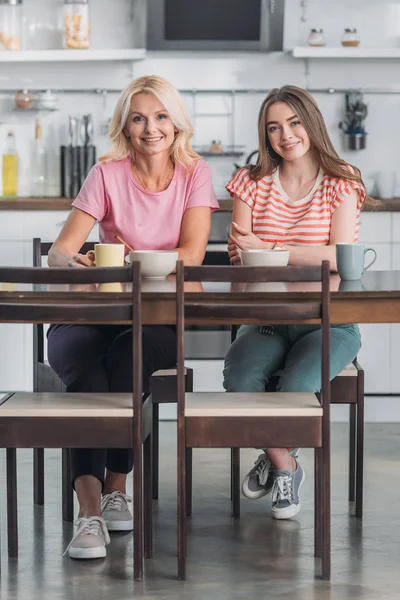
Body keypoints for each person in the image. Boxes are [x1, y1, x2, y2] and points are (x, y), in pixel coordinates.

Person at [47, 75, 219, 559]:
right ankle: (89, 513)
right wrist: (74, 259)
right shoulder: (107, 174)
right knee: (85, 370)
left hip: (157, 318)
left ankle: (116, 488)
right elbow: (60, 253)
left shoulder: (194, 174)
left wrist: (128, 263)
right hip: (88, 315)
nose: (151, 128)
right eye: (139, 117)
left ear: (176, 122)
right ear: (126, 125)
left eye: (161, 116)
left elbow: (190, 252)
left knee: (128, 362)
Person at [224, 85, 365, 521]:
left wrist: (270, 245)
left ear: (312, 121)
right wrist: (293, 251)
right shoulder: (249, 182)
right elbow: (238, 255)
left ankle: (274, 452)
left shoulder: (342, 180)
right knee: (240, 382)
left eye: (294, 122)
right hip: (265, 319)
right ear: (265, 136)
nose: (285, 135)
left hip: (329, 321)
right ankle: (286, 462)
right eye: (273, 128)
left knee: (294, 390)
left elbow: (339, 256)